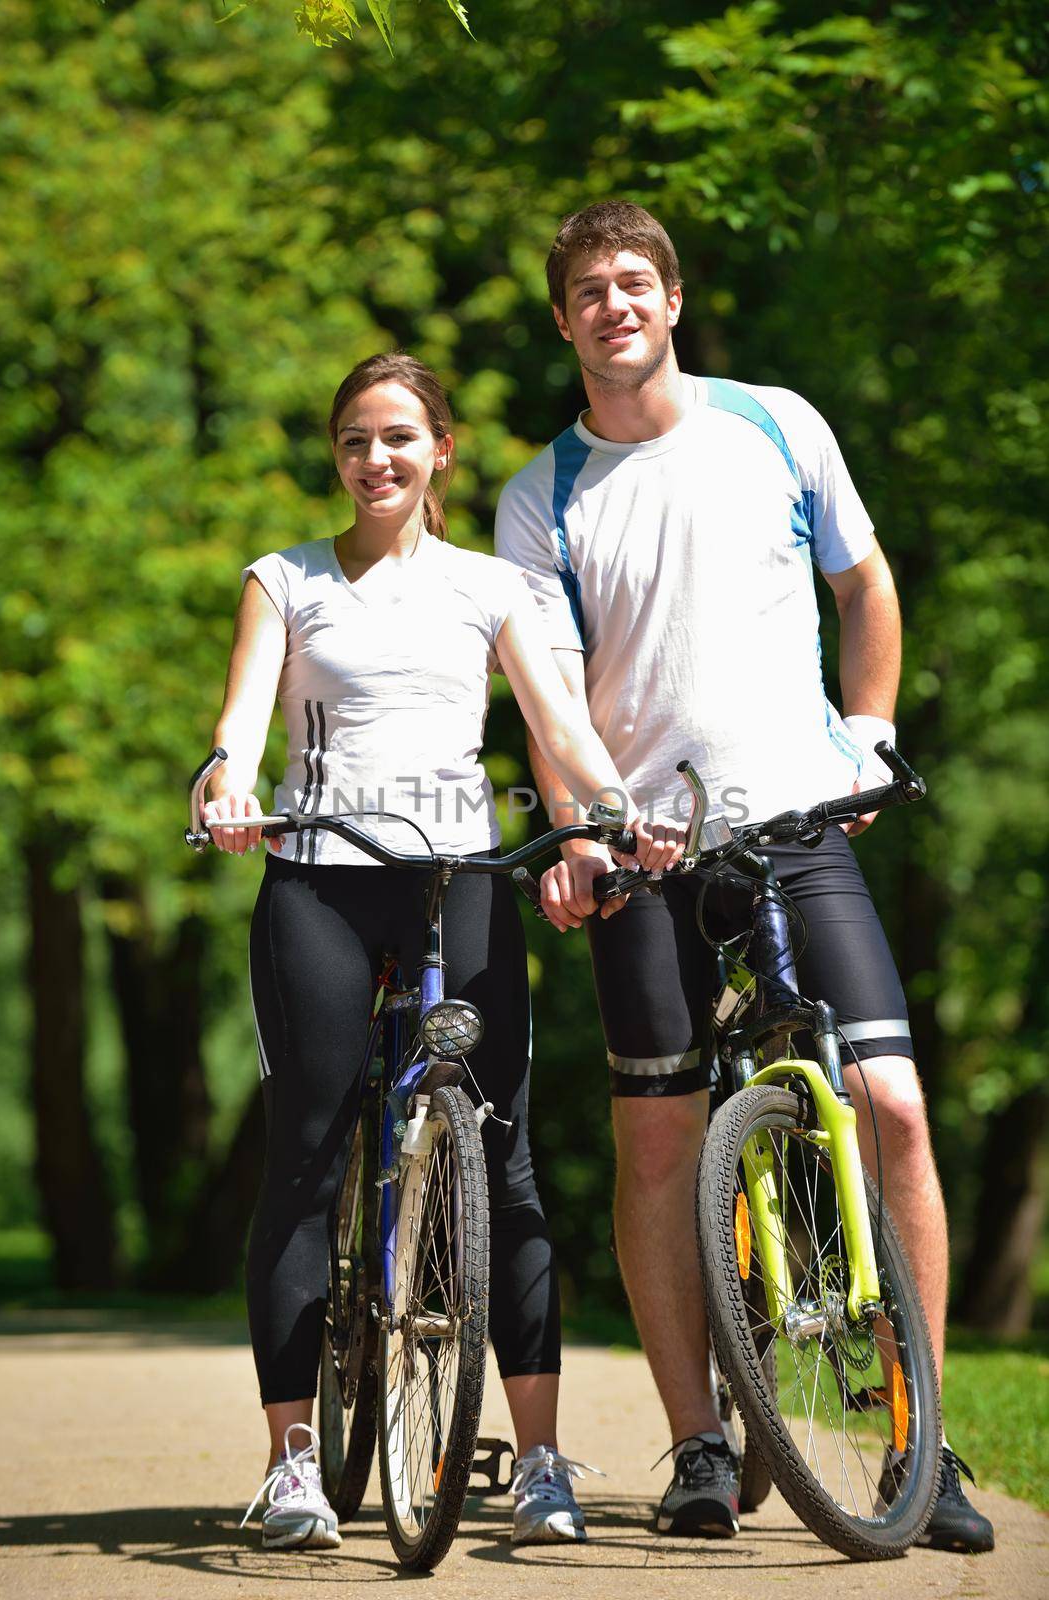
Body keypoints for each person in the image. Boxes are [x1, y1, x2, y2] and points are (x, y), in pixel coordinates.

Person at [494, 201, 994, 1554]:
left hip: (796, 820)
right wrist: (589, 827)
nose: (614, 303)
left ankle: (919, 1435)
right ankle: (700, 1441)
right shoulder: (540, 497)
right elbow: (549, 707)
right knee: (658, 1133)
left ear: (671, 295)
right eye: (588, 288)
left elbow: (868, 584)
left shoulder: (775, 421)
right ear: (564, 320)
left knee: (890, 1103)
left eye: (634, 279)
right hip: (645, 850)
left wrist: (873, 738)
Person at [203, 351, 677, 1552]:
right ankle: (295, 1461)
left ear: (441, 452)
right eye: (356, 439)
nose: (377, 460)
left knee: (502, 1161)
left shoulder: (491, 585)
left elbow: (556, 725)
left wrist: (612, 808)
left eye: (400, 438)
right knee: (307, 1154)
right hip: (316, 877)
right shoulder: (287, 578)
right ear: (336, 455)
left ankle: (541, 1459)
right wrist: (227, 782)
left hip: (459, 880)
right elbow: (242, 718)